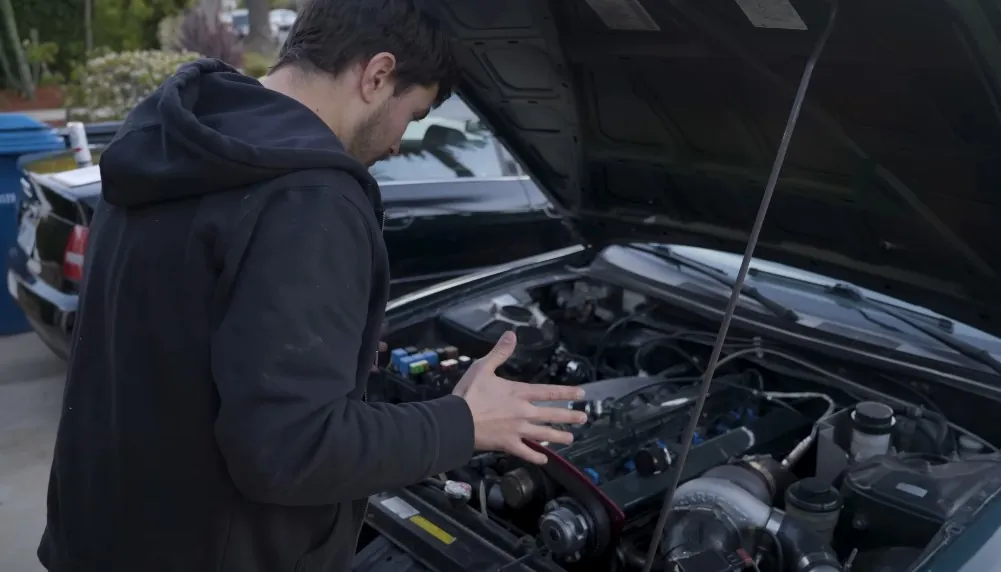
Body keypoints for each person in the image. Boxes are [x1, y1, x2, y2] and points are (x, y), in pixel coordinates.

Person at [36, 1, 588, 571]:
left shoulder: (169, 140)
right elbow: (291, 448)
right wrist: (464, 422)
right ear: (376, 75)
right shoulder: (309, 200)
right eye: (414, 114)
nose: (400, 142)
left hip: (97, 536)